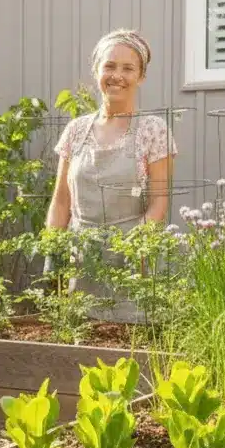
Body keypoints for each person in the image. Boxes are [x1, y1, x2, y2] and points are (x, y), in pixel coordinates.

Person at [43, 29, 177, 323]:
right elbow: (61, 201)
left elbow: (159, 203)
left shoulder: (153, 130)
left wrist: (134, 251)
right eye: (109, 66)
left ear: (141, 76)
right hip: (81, 262)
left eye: (128, 68)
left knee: (130, 339)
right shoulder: (76, 130)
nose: (117, 75)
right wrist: (53, 253)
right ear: (96, 71)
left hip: (132, 263)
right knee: (79, 337)